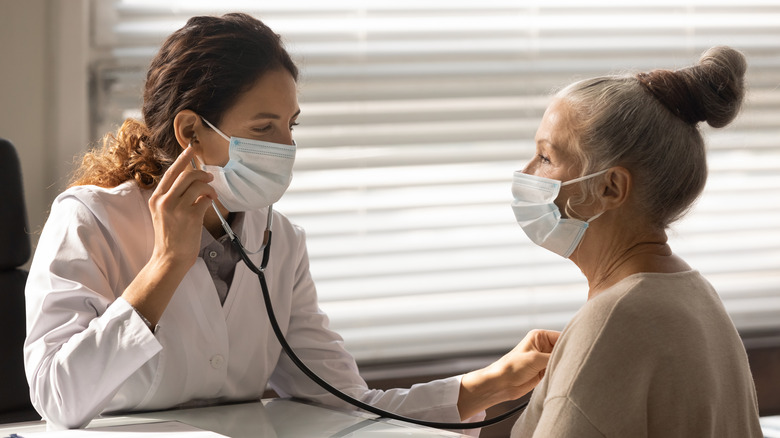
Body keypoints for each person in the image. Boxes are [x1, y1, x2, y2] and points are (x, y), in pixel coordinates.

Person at [23, 13, 559, 430]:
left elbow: (347, 405)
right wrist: (166, 265)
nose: (287, 146)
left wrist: (489, 384)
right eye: (264, 126)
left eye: (290, 125)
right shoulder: (90, 221)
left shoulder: (278, 240)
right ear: (191, 131)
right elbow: (57, 399)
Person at [508, 46, 762, 437]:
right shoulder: (695, 295)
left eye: (545, 158)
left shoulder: (611, 323)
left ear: (610, 187)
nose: (526, 173)